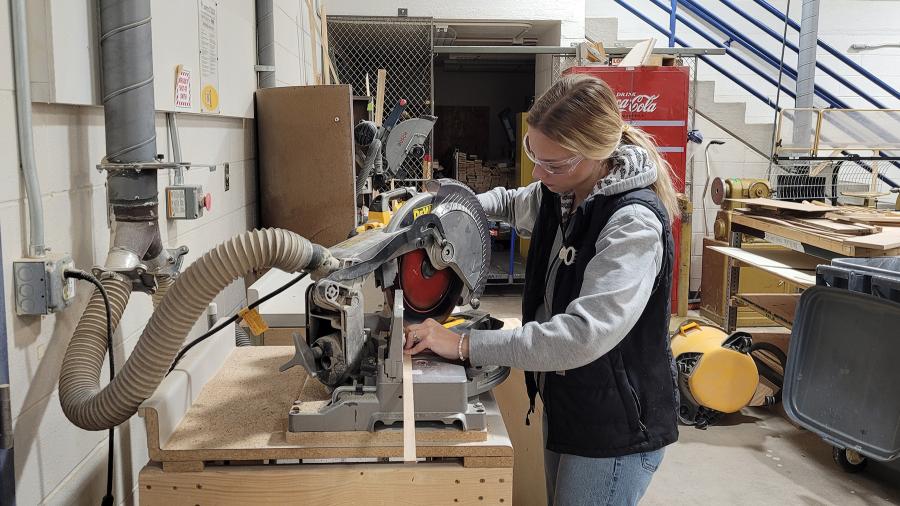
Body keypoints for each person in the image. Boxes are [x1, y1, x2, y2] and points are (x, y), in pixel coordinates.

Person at [404, 73, 680, 505]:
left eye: (554, 164)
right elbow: (511, 202)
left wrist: (464, 345)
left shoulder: (632, 224)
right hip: (572, 402)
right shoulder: (564, 190)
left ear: (598, 154)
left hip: (615, 424)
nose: (539, 171)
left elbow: (580, 336)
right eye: (536, 153)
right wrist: (443, 211)